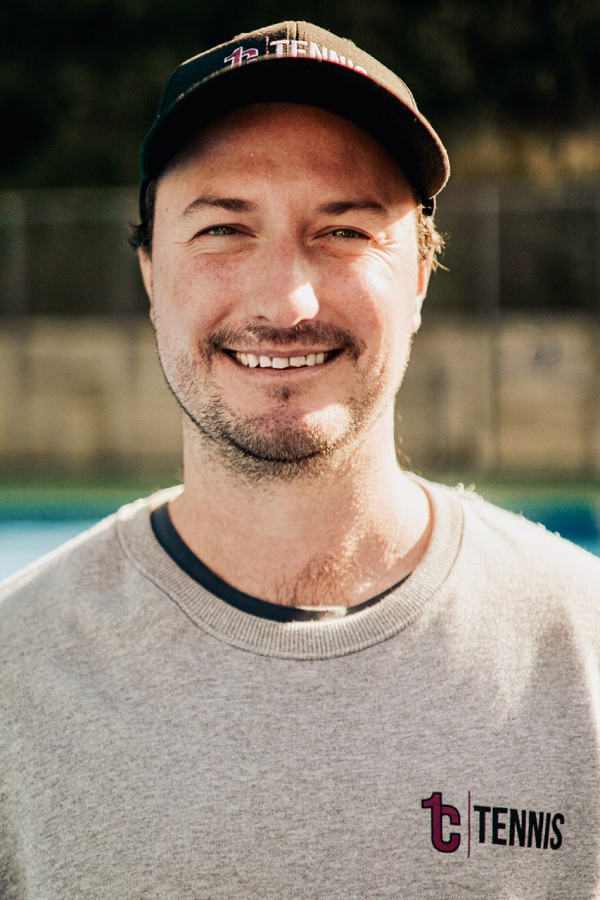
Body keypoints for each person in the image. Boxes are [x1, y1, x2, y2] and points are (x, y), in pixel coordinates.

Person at [1, 20, 599, 899]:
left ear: (420, 277)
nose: (286, 302)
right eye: (222, 229)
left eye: (345, 231)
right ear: (150, 274)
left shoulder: (584, 650)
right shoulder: (15, 673)